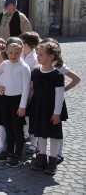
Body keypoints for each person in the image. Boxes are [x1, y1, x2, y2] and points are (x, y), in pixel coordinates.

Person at [40, 37, 81, 165]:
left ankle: (58, 153)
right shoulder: (41, 65)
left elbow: (76, 79)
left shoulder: (58, 65)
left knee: (56, 130)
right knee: (43, 128)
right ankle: (42, 153)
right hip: (44, 101)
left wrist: (64, 90)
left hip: (57, 102)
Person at [0, 37, 31, 167]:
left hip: (18, 101)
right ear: (6, 52)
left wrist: (22, 106)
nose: (13, 56)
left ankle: (18, 155)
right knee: (8, 127)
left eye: (16, 53)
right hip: (5, 100)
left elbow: (26, 88)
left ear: (21, 52)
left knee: (17, 129)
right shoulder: (4, 64)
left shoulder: (24, 67)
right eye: (10, 53)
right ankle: (9, 152)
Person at [30, 42, 65, 175]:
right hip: (38, 108)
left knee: (54, 135)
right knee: (41, 134)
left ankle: (52, 161)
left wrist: (57, 113)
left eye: (41, 54)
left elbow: (59, 96)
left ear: (51, 57)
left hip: (52, 110)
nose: (38, 57)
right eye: (37, 54)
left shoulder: (57, 75)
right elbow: (31, 90)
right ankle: (41, 158)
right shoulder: (35, 72)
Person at [19, 31, 41, 151]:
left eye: (22, 42)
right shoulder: (23, 55)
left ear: (27, 44)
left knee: (33, 116)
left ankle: (35, 142)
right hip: (23, 89)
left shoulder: (34, 58)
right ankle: (26, 133)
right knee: (26, 114)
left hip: (31, 90)